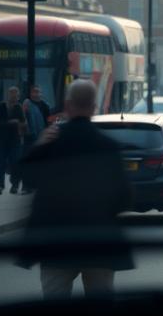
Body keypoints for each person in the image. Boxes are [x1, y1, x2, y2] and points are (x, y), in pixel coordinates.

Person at [19, 78, 133, 299]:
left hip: (56, 243)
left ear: (68, 106)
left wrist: (39, 145)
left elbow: (25, 176)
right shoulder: (108, 146)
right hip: (99, 243)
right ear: (93, 108)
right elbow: (124, 198)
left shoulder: (51, 143)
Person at [0, 86, 25, 194]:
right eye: (12, 94)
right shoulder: (1, 106)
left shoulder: (19, 107)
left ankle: (15, 185)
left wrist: (19, 125)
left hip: (15, 140)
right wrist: (9, 123)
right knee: (0, 162)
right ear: (8, 95)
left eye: (16, 95)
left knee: (15, 162)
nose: (14, 96)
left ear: (18, 96)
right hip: (2, 139)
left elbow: (23, 122)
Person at [20, 86, 50, 194]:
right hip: (29, 138)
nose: (36, 94)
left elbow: (48, 122)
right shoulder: (26, 104)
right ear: (31, 93)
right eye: (34, 92)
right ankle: (26, 186)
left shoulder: (45, 106)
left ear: (41, 94)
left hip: (41, 138)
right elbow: (22, 118)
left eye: (38, 92)